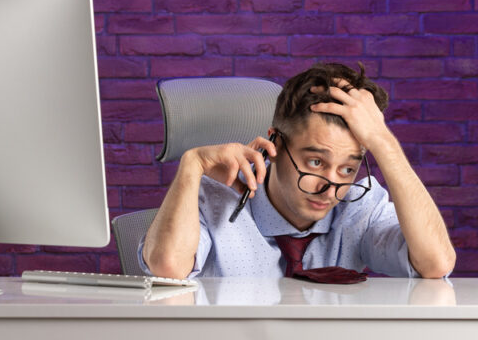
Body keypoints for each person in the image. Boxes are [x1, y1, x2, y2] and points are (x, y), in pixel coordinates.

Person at [140, 63, 456, 279]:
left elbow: (436, 263)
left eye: (348, 169)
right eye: (315, 163)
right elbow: (168, 267)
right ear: (274, 144)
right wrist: (191, 165)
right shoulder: (218, 195)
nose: (330, 188)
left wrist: (383, 142)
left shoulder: (360, 207)